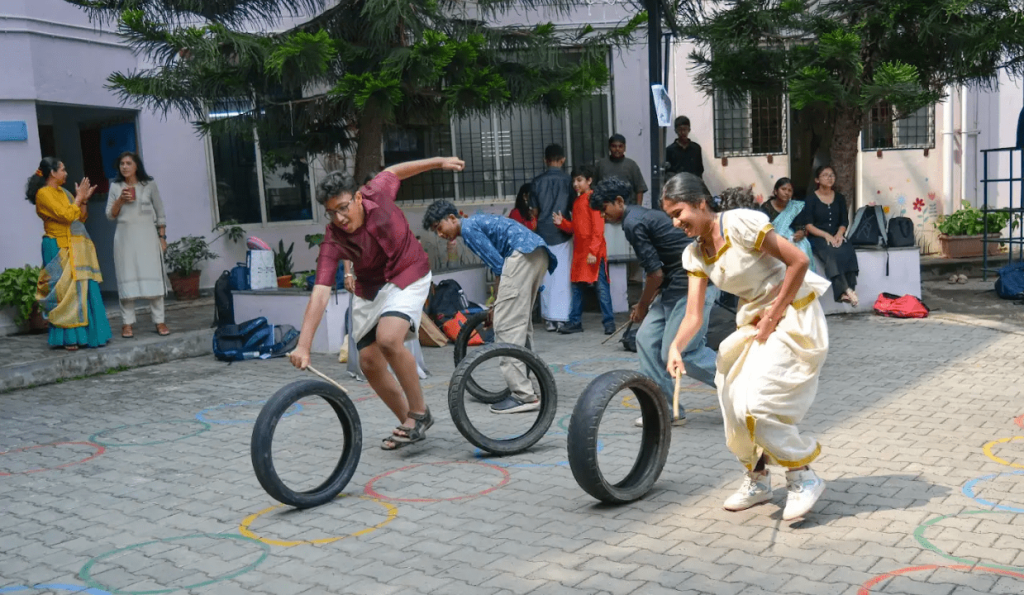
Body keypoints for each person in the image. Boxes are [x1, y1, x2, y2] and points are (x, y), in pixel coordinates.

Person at [662, 173, 830, 521]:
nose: (676, 223)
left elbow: (798, 261)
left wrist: (774, 314)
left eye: (679, 213)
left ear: (700, 203)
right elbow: (693, 314)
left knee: (758, 402)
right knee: (731, 397)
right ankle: (758, 479)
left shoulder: (738, 223)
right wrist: (676, 347)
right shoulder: (695, 254)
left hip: (793, 313)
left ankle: (803, 476)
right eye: (671, 217)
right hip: (755, 323)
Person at [289, 156, 466, 450]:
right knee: (369, 362)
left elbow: (395, 171)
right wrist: (303, 346)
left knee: (388, 338)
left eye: (343, 208)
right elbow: (320, 291)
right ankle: (412, 421)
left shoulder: (377, 192)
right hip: (370, 287)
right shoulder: (333, 239)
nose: (339, 218)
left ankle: (418, 411)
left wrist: (439, 162)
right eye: (331, 213)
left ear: (358, 198)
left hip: (408, 273)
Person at [589, 176, 718, 427]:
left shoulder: (633, 222)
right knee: (646, 339)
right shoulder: (637, 217)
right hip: (672, 287)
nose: (603, 216)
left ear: (618, 201)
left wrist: (642, 305)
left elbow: (654, 274)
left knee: (681, 351)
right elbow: (658, 271)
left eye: (604, 209)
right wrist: (646, 302)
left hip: (692, 284)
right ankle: (665, 409)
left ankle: (744, 388)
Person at [423, 201, 556, 414]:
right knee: (520, 325)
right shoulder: (476, 223)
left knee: (506, 327)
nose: (440, 234)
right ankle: (528, 384)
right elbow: (501, 267)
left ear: (452, 218)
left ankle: (523, 396)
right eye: (435, 231)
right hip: (537, 252)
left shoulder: (468, 229)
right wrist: (497, 303)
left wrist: (496, 305)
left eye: (439, 227)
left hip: (522, 254)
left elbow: (498, 266)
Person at [27, 157, 110, 351]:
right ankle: (68, 338)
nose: (66, 173)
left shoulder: (64, 193)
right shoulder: (43, 194)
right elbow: (65, 216)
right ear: (52, 173)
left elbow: (79, 217)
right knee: (64, 293)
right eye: (63, 169)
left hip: (75, 246)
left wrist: (84, 200)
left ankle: (87, 336)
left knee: (82, 290)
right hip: (57, 246)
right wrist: (78, 198)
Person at [106, 151, 170, 338]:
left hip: (148, 238)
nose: (124, 167)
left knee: (154, 277)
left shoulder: (149, 185)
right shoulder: (116, 187)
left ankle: (159, 321)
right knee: (127, 278)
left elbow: (160, 212)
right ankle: (127, 323)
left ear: (136, 166)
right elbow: (110, 215)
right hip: (125, 239)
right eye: (122, 164)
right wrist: (120, 200)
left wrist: (162, 237)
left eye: (128, 163)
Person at [552, 164, 615, 335]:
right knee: (578, 287)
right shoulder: (579, 201)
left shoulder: (593, 199)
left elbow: (598, 228)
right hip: (581, 252)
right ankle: (576, 322)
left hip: (593, 252)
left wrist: (593, 251)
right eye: (574, 181)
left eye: (579, 180)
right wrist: (562, 223)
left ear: (589, 181)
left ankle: (609, 323)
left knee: (600, 288)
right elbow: (576, 227)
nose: (576, 184)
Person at [528, 144, 574, 332]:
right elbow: (573, 207)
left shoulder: (536, 182)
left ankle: (548, 319)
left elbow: (534, 211)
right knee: (563, 276)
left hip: (543, 233)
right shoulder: (569, 181)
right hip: (562, 232)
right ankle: (562, 317)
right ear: (563, 160)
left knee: (546, 277)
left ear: (545, 160)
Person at [803, 165, 859, 306]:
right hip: (818, 237)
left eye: (832, 175)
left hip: (836, 235)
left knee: (847, 249)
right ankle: (844, 290)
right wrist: (826, 235)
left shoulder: (839, 198)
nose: (829, 178)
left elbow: (844, 221)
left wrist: (839, 234)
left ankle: (851, 288)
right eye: (825, 175)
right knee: (831, 253)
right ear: (817, 180)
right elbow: (808, 225)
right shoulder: (810, 199)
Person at [760, 178, 816, 273]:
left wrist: (801, 232)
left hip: (792, 239)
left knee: (803, 246)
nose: (786, 193)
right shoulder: (766, 207)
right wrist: (778, 238)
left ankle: (802, 277)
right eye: (783, 189)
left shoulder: (795, 207)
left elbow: (800, 225)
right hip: (772, 238)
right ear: (776, 191)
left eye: (790, 190)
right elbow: (762, 227)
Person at [593, 134, 648, 206]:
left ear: (624, 148)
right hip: (606, 207)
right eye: (614, 146)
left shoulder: (631, 165)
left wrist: (638, 208)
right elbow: (593, 188)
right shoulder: (601, 165)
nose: (617, 149)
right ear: (609, 147)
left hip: (628, 207)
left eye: (620, 146)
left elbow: (639, 189)